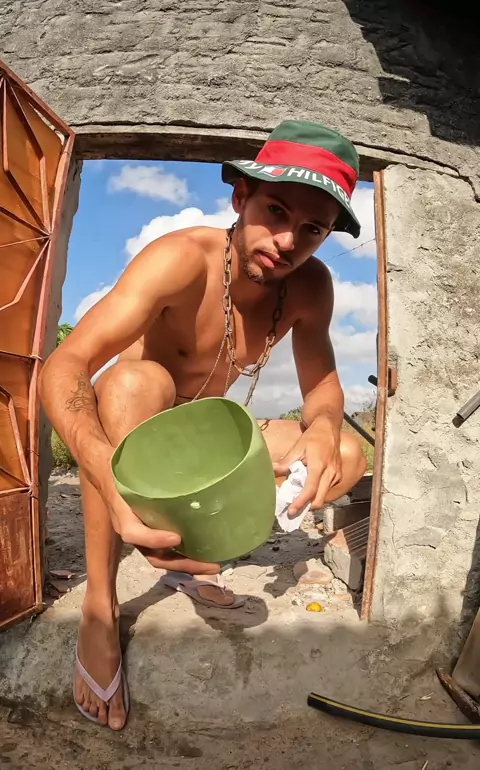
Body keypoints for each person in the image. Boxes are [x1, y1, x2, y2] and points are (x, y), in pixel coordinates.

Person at [39, 119, 367, 731]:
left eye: (313, 229)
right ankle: (100, 607)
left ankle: (193, 555)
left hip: (213, 438)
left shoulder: (310, 287)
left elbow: (322, 388)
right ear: (240, 197)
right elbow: (65, 365)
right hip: (138, 431)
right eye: (276, 211)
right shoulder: (181, 259)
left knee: (346, 453)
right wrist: (107, 471)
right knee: (135, 383)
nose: (288, 240)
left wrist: (322, 426)